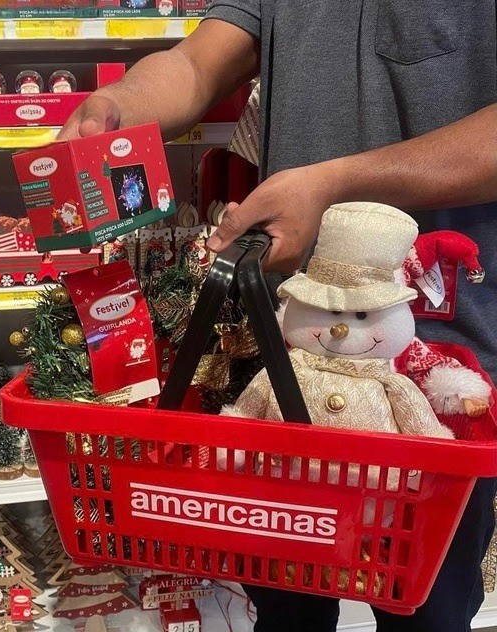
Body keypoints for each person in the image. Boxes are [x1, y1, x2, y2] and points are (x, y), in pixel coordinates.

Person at [58, 3, 497, 631]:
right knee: (286, 607)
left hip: (439, 358)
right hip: (283, 342)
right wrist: (117, 105)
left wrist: (336, 184)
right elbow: (194, 64)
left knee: (426, 608)